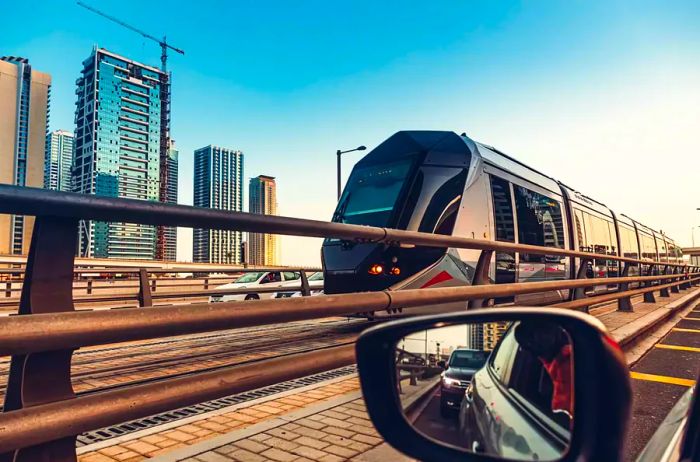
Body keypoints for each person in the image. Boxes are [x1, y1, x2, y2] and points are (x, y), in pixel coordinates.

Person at [514, 321, 573, 417]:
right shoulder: (545, 363)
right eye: (530, 338)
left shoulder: (571, 360)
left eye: (545, 329)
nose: (543, 336)